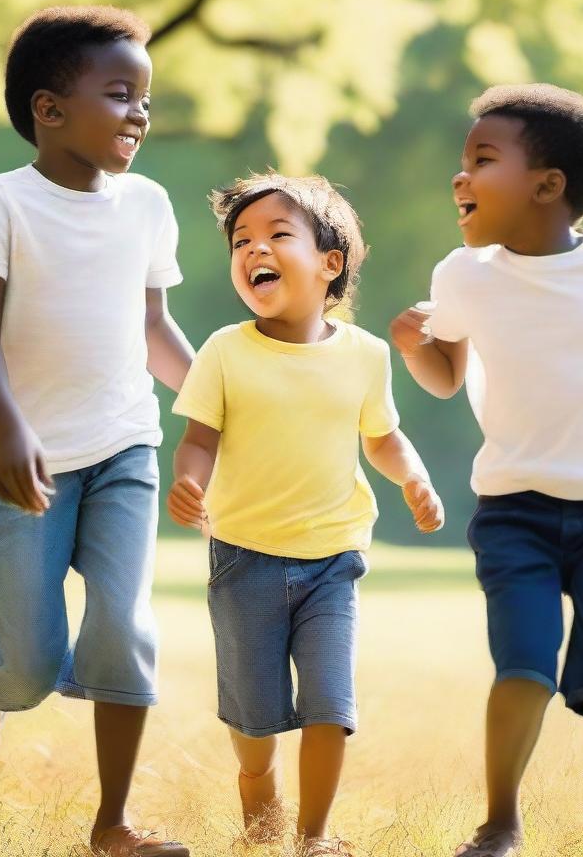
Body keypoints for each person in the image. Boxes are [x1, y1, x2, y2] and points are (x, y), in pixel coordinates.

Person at [390, 83, 583, 857]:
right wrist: (412, 347)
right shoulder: (465, 274)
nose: (460, 177)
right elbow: (446, 376)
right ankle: (500, 824)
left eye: (482, 160)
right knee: (522, 662)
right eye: (462, 163)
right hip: (514, 509)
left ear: (548, 185)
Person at [0, 6, 194, 857]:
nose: (139, 116)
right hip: (19, 460)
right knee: (27, 666)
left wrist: (216, 399)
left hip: (125, 445)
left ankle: (113, 823)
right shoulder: (1, 201)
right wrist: (9, 431)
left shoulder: (149, 205)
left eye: (146, 100)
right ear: (50, 109)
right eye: (120, 95)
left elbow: (154, 325)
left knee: (123, 625)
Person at [170, 171, 443, 856]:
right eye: (241, 240)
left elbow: (380, 436)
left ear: (330, 263)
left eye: (276, 235)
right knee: (255, 717)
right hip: (243, 556)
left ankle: (316, 836)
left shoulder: (365, 356)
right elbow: (200, 436)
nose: (253, 249)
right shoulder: (225, 352)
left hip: (332, 559)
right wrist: (189, 483)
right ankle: (258, 793)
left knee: (329, 703)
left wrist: (412, 476)